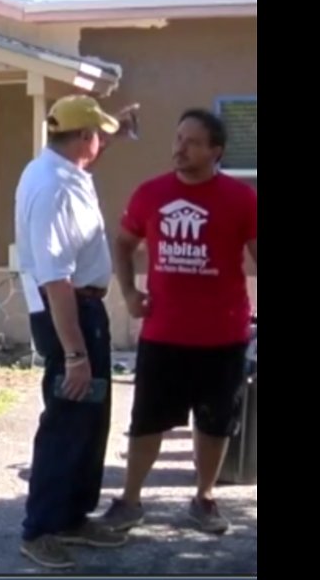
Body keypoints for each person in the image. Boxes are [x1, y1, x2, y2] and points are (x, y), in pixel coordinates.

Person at [99, 109, 258, 535]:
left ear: (215, 151)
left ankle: (204, 498)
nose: (179, 147)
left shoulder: (241, 199)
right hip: (164, 333)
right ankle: (130, 501)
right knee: (147, 419)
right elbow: (124, 242)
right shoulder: (151, 194)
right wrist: (130, 293)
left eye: (192, 141)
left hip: (223, 334)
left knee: (215, 421)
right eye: (178, 137)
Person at [13, 95, 129, 569]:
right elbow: (55, 278)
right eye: (98, 134)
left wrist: (115, 127)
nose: (103, 141)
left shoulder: (63, 169)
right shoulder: (54, 188)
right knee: (66, 419)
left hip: (84, 310)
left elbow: (89, 147)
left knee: (90, 418)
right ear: (84, 139)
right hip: (69, 314)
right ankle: (40, 528)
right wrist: (75, 354)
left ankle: (73, 516)